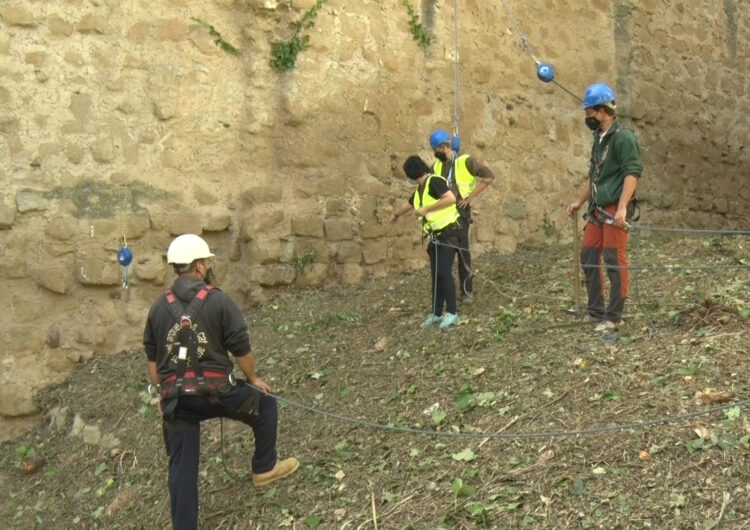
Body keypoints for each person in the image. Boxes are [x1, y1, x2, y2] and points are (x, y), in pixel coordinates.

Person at [143, 234, 298, 529]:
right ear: (200, 267)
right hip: (217, 393)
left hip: (177, 400)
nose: (209, 266)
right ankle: (265, 467)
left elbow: (154, 365)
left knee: (181, 466)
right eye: (207, 261)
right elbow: (241, 347)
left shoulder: (157, 309)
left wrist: (164, 395)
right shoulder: (219, 300)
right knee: (265, 405)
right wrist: (253, 378)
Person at [566, 83, 643, 332]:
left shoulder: (624, 138)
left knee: (613, 259)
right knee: (588, 256)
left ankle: (614, 316)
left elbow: (632, 174)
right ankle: (596, 310)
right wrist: (579, 202)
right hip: (597, 210)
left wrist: (622, 208)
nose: (587, 117)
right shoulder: (598, 139)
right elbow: (593, 176)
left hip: (614, 209)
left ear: (601, 111)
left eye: (589, 112)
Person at [391, 155, 462, 330]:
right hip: (435, 237)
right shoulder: (420, 189)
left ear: (412, 173)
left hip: (448, 233)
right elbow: (410, 203)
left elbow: (450, 199)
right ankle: (436, 313)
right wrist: (397, 214)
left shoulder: (434, 181)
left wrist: (426, 210)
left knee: (445, 273)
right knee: (436, 276)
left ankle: (452, 312)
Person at [429, 129, 495, 303]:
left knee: (462, 253)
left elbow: (488, 177)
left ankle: (467, 291)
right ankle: (445, 292)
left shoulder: (465, 162)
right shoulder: (436, 166)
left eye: (438, 150)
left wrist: (470, 198)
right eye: (434, 151)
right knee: (444, 254)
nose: (436, 154)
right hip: (443, 215)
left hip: (460, 212)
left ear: (445, 146)